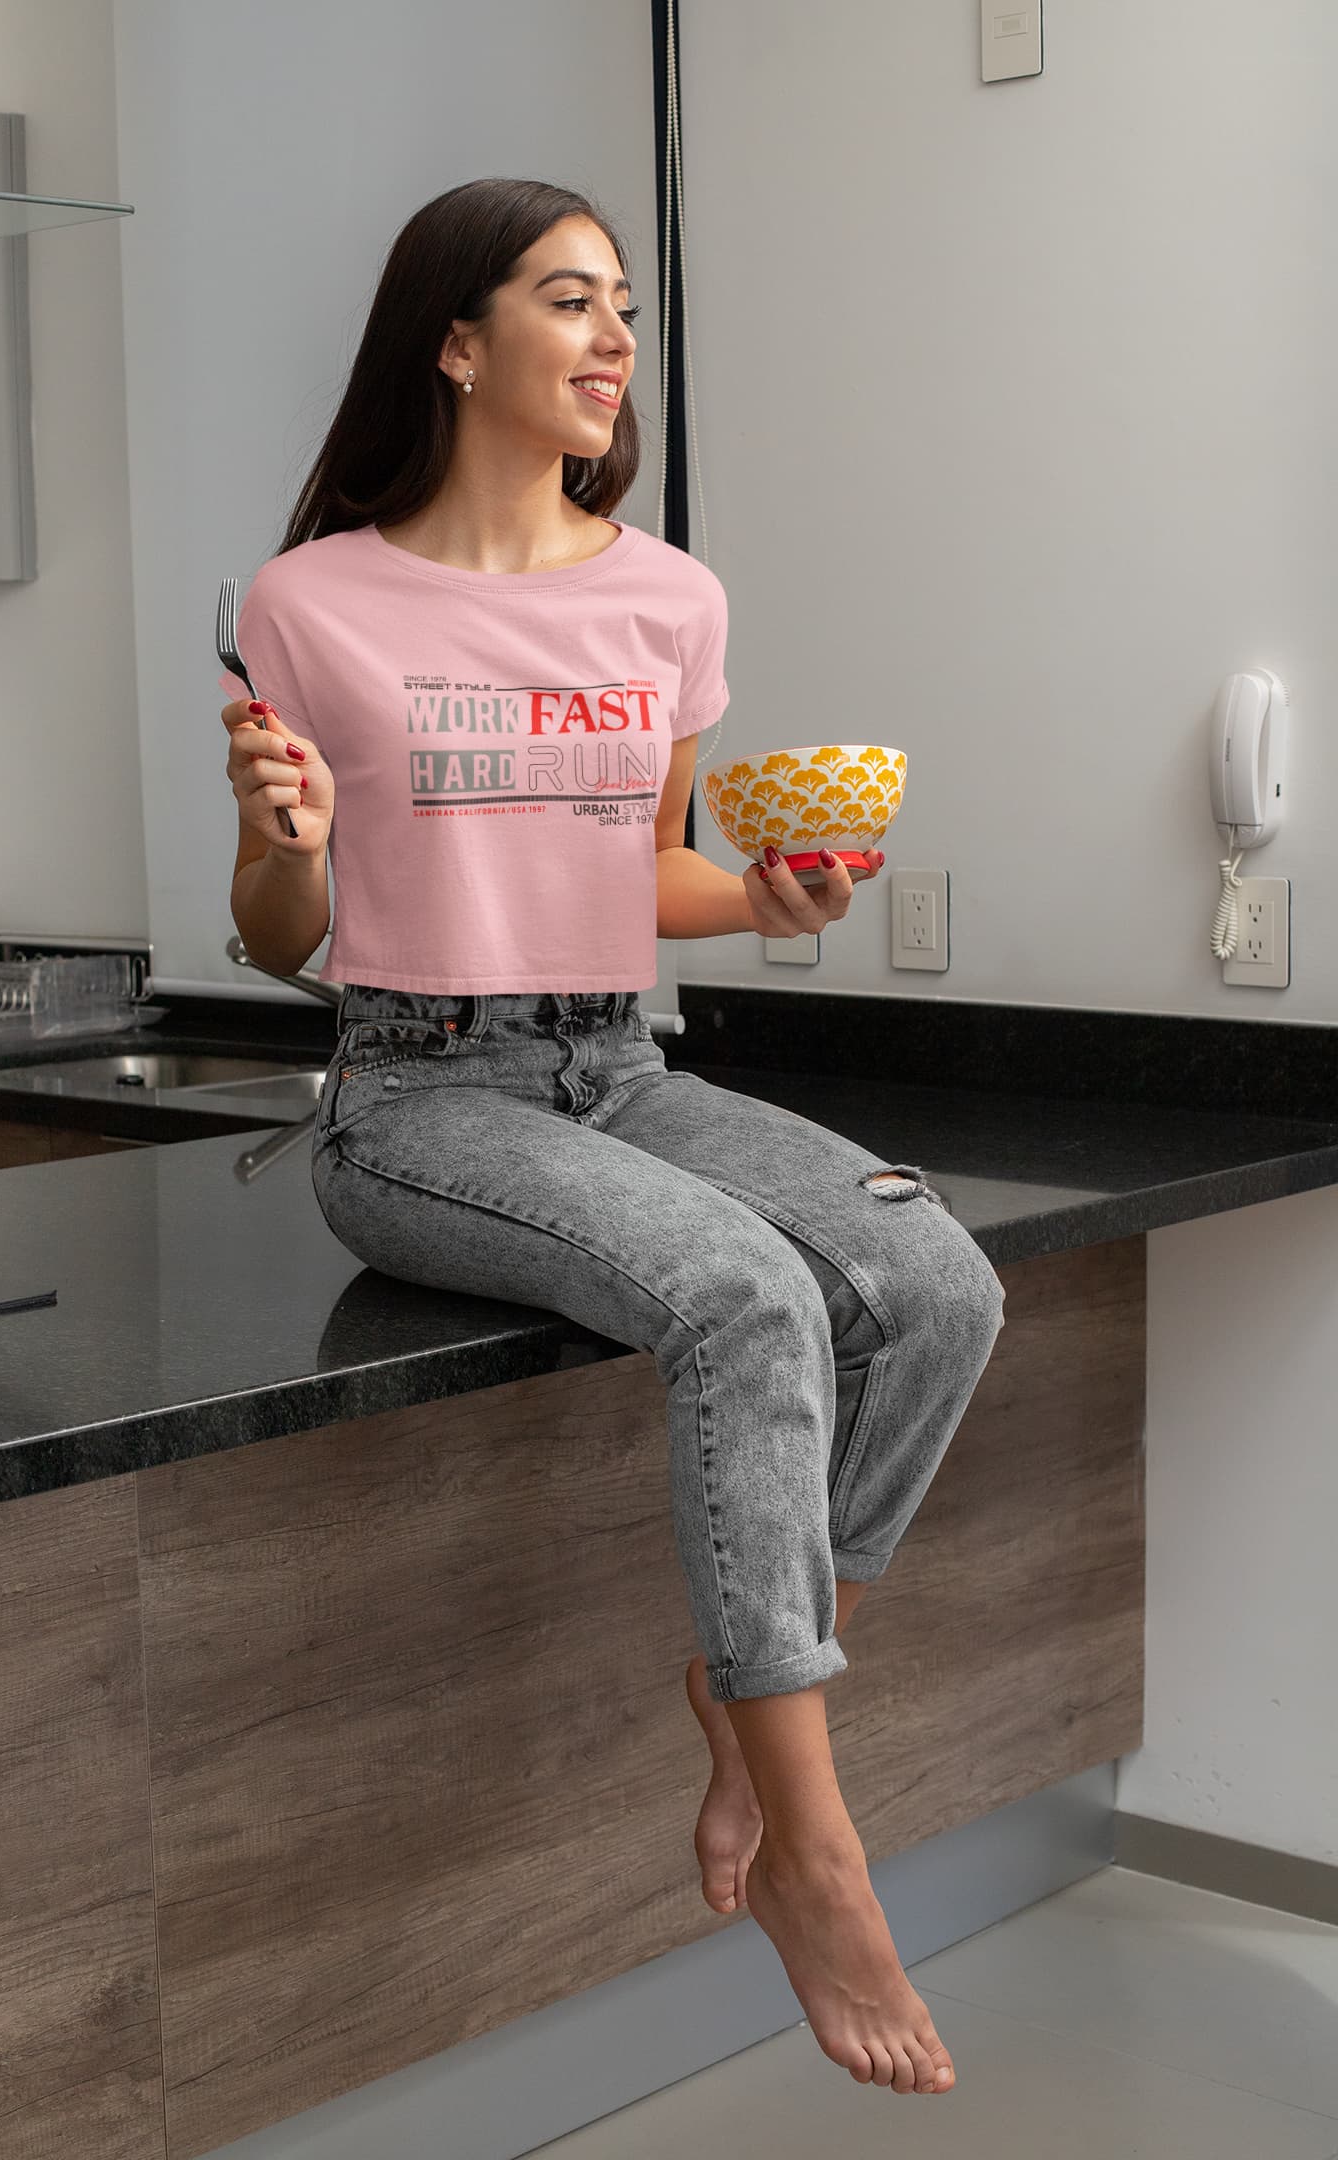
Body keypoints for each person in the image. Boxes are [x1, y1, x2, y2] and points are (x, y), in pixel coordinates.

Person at [219, 176, 1004, 2100]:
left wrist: (776, 902)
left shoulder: (668, 593)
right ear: (457, 342)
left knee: (935, 1279)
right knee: (746, 1296)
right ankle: (821, 1847)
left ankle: (748, 1701)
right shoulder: (307, 600)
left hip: (617, 1065)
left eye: (626, 310)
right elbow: (280, 936)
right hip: (412, 1092)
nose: (612, 340)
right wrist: (286, 843)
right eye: (569, 302)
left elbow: (641, 877)